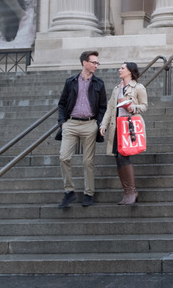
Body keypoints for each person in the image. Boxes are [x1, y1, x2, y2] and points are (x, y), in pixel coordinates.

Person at [56, 51, 108, 208]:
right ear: (85, 63)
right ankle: (69, 191)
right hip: (71, 124)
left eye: (97, 63)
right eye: (93, 62)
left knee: (88, 161)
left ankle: (88, 193)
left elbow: (102, 107)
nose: (96, 65)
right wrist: (62, 122)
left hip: (89, 124)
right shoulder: (71, 81)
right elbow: (62, 103)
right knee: (64, 157)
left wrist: (98, 124)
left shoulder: (99, 83)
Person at [99, 61, 148, 205]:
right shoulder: (116, 89)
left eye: (122, 68)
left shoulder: (138, 87)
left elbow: (144, 106)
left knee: (123, 156)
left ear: (130, 71)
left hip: (129, 126)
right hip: (117, 126)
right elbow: (109, 108)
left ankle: (131, 191)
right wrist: (103, 124)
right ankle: (127, 191)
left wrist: (132, 107)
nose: (119, 70)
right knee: (118, 157)